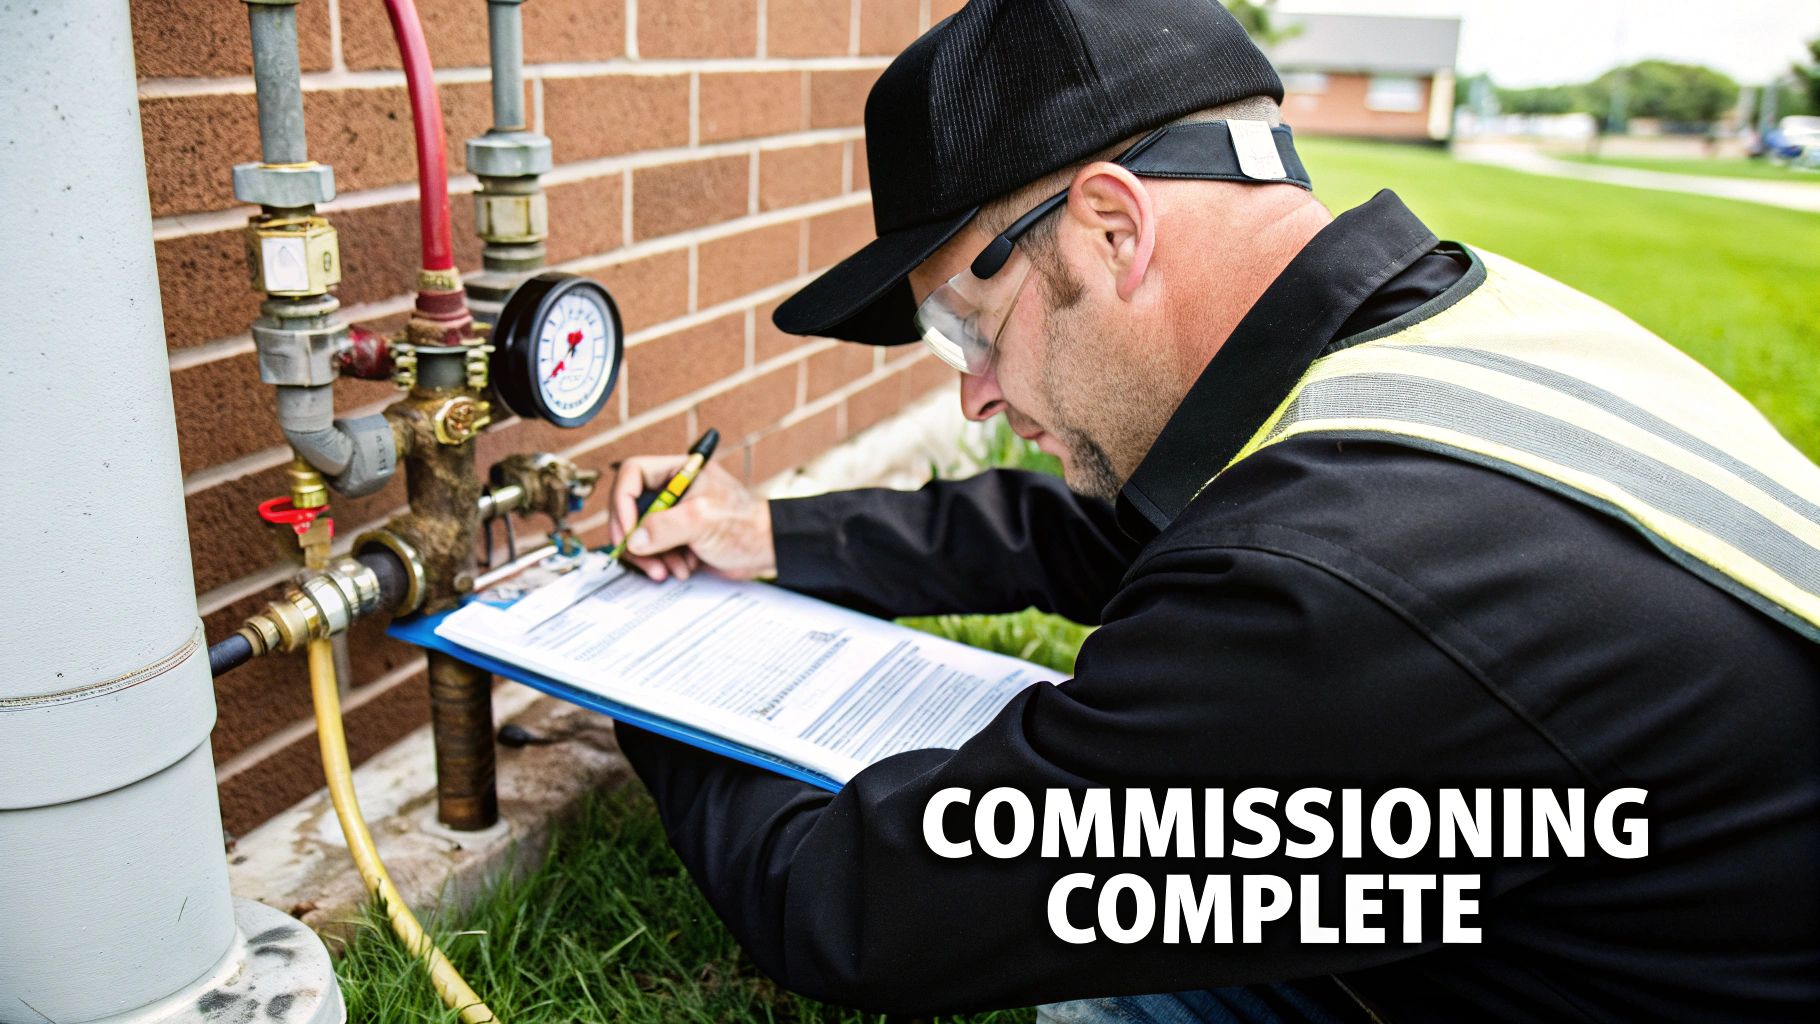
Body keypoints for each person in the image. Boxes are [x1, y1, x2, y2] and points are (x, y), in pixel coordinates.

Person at [603, 1, 1820, 1020]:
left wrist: (647, 683)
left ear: (1114, 225)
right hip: (1628, 925)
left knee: (1113, 976)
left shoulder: (1334, 584)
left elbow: (857, 910)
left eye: (964, 327)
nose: (973, 392)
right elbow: (1117, 530)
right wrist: (773, 539)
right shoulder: (1445, 330)